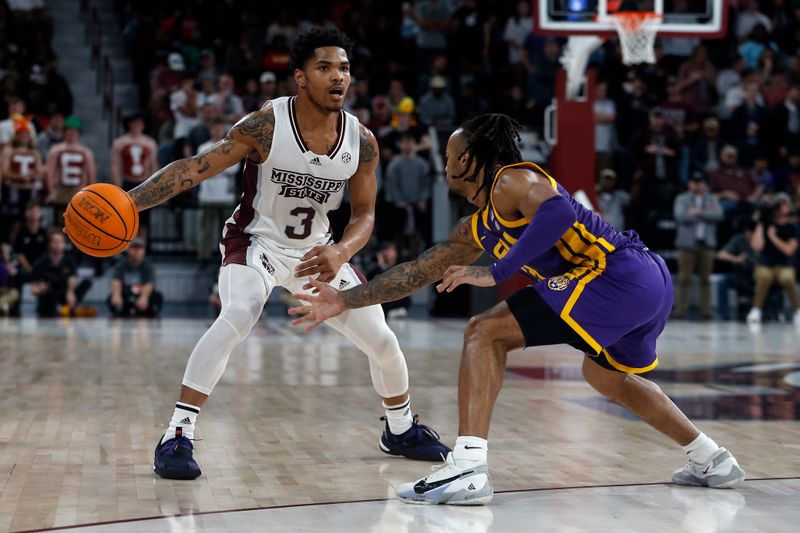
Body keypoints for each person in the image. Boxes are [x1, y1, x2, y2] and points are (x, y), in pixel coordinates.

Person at [290, 114, 746, 505]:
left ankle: (467, 467)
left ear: (468, 159)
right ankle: (711, 458)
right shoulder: (477, 225)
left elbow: (560, 214)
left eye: (449, 156)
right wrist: (343, 300)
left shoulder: (514, 179)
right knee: (605, 376)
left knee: (484, 331)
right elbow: (419, 270)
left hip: (614, 274)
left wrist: (499, 270)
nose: (445, 164)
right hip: (645, 284)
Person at [126, 27, 448, 480]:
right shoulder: (266, 125)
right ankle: (178, 432)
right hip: (254, 241)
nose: (338, 77)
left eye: (344, 68)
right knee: (239, 313)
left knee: (383, 341)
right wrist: (129, 202)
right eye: (325, 68)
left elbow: (365, 215)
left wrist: (342, 250)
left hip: (316, 253)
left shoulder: (362, 140)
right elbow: (193, 170)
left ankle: (399, 428)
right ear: (300, 77)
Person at [673, 172, 724, 320]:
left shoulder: (712, 198)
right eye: (694, 182)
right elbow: (680, 216)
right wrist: (705, 214)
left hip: (706, 244)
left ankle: (706, 312)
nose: (697, 185)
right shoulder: (682, 199)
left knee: (705, 279)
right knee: (684, 278)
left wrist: (698, 212)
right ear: (690, 184)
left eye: (700, 182)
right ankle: (681, 311)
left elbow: (718, 215)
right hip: (686, 245)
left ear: (705, 184)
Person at [747, 194, 800, 325]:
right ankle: (756, 310)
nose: (781, 208)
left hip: (783, 265)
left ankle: (798, 311)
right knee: (764, 277)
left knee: (788, 278)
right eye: (779, 205)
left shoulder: (792, 227)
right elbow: (756, 246)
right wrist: (760, 222)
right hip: (764, 264)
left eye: (784, 204)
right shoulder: (765, 225)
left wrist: (773, 237)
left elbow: (789, 250)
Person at [195, 118, 238, 265]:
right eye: (215, 128)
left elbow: (234, 169)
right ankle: (203, 257)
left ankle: (226, 256)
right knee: (205, 229)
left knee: (227, 230)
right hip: (207, 195)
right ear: (211, 129)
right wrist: (221, 168)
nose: (218, 131)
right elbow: (202, 170)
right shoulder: (203, 147)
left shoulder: (232, 146)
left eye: (220, 128)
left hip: (226, 195)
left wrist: (213, 169)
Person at [111, 113, 158, 241]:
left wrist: (154, 186)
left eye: (139, 123)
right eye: (134, 123)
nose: (136, 126)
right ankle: (126, 246)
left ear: (143, 125)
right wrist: (117, 186)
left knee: (143, 220)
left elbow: (153, 165)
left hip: (144, 183)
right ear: (129, 125)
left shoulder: (149, 143)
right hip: (128, 182)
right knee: (127, 218)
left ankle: (142, 247)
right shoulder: (120, 143)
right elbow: (116, 165)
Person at [30, 229, 91, 317]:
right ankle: (58, 308)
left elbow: (72, 277)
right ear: (49, 244)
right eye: (55, 241)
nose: (58, 245)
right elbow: (34, 287)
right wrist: (39, 289)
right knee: (50, 290)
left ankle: (71, 306)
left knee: (86, 283)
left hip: (65, 293)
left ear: (64, 244)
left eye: (60, 242)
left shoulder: (69, 260)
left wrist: (70, 292)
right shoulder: (40, 263)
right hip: (49, 296)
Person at [44, 116, 96, 220]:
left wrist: (91, 193)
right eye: (69, 130)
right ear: (64, 132)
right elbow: (49, 171)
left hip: (79, 192)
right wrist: (51, 191)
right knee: (60, 221)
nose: (72, 133)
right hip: (60, 192)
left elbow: (91, 173)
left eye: (74, 131)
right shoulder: (56, 150)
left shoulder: (86, 152)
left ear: (78, 133)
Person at [0, 117, 43, 239]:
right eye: (21, 135)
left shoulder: (34, 152)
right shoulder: (9, 151)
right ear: (16, 136)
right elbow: (4, 171)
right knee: (13, 222)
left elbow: (40, 172)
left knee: (30, 220)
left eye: (26, 135)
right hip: (14, 190)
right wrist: (19, 177)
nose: (23, 137)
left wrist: (32, 176)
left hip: (30, 190)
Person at [108, 237, 163, 317]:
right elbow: (116, 281)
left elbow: (149, 283)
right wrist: (116, 295)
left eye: (139, 248)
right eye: (134, 248)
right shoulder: (121, 265)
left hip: (141, 293)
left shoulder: (148, 266)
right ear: (128, 250)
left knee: (157, 297)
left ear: (144, 250)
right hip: (126, 294)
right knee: (111, 298)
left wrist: (144, 297)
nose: (136, 251)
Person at [716, 220, 757, 321]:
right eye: (750, 233)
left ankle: (768, 313)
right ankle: (723, 313)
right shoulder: (738, 240)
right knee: (722, 282)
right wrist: (736, 259)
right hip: (739, 276)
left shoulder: (762, 241)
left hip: (756, 277)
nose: (751, 236)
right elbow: (721, 254)